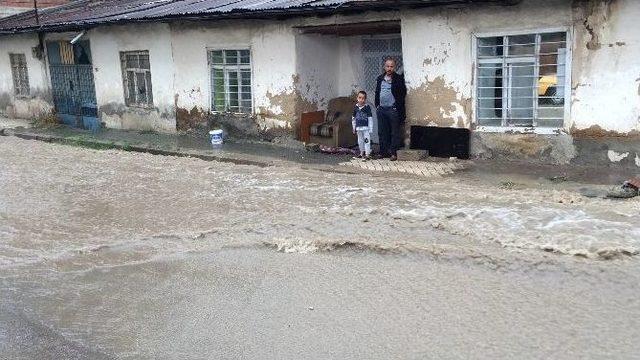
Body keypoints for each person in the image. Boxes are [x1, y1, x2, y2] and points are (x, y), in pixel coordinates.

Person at [374, 57, 407, 161]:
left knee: (394, 132)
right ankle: (383, 152)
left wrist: (397, 107)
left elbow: (403, 93)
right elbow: (377, 92)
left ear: (394, 67)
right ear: (384, 67)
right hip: (382, 109)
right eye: (387, 66)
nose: (389, 68)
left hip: (393, 109)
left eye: (391, 66)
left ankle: (393, 153)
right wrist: (377, 105)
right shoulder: (380, 78)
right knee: (382, 131)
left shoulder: (398, 79)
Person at [352, 90, 373, 160]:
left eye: (363, 98)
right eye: (359, 98)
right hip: (358, 128)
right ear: (357, 98)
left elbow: (370, 118)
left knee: (366, 140)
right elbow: (353, 118)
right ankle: (361, 153)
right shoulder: (356, 107)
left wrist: (371, 128)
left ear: (365, 99)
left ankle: (367, 154)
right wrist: (354, 127)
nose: (361, 100)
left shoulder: (367, 107)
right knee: (360, 141)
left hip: (366, 128)